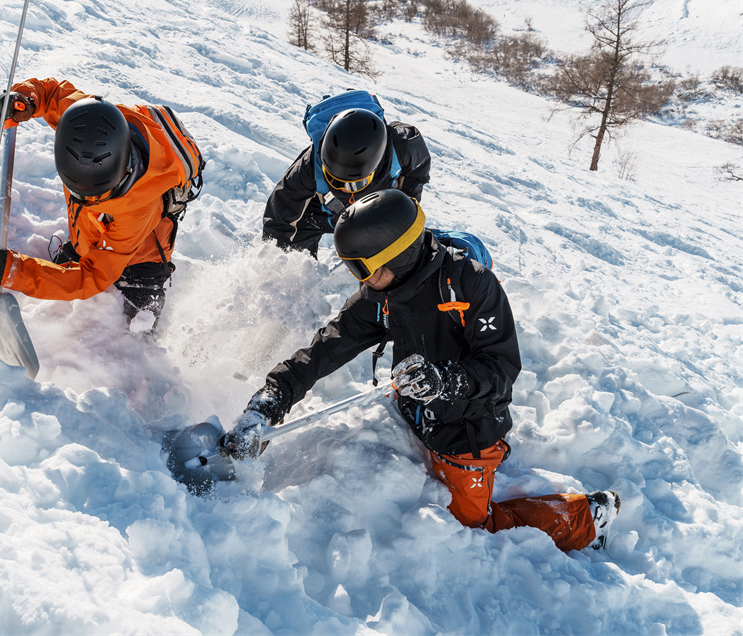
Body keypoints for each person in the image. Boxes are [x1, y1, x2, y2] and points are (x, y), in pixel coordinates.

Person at [227, 190, 621, 552]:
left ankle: (585, 518)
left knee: (473, 524)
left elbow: (501, 368)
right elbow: (327, 347)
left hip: (466, 431)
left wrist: (444, 381)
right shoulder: (384, 293)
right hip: (414, 414)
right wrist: (271, 399)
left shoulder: (471, 286)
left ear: (396, 256)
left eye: (363, 269)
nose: (359, 281)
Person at [0, 78, 202, 332]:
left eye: (96, 194)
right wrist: (25, 99)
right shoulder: (85, 121)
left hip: (139, 264)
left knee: (127, 343)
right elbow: (51, 93)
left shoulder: (138, 207)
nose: (82, 199)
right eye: (75, 189)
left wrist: (16, 271)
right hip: (93, 235)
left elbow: (91, 276)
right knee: (55, 303)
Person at [262, 106, 431, 258]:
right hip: (324, 213)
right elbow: (279, 219)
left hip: (376, 208)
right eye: (335, 181)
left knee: (392, 253)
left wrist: (404, 207)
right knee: (292, 251)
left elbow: (418, 173)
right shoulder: (309, 166)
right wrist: (278, 261)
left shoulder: (405, 146)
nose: (344, 190)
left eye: (353, 185)